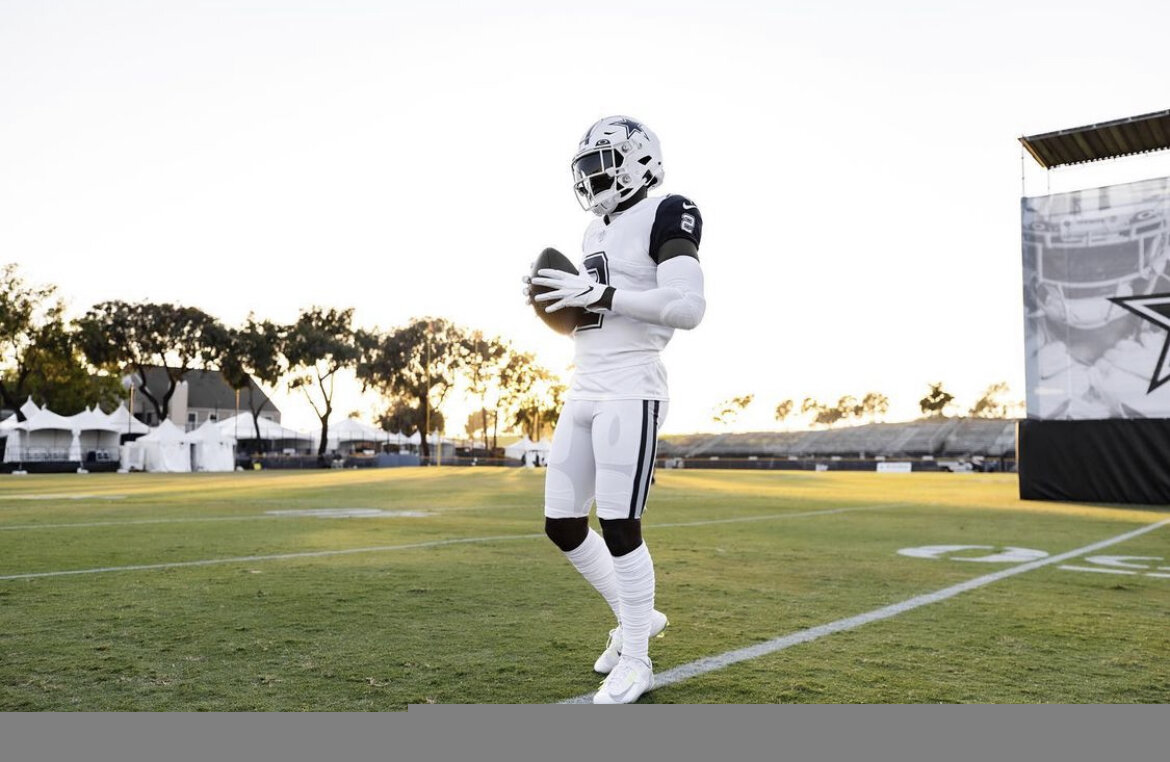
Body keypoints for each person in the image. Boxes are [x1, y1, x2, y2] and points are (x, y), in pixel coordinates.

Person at [523, 115, 706, 704]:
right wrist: (556, 301)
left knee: (621, 524)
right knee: (562, 524)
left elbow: (687, 305)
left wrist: (599, 293)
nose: (593, 178)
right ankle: (638, 616)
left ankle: (637, 657)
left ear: (636, 161)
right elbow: (593, 318)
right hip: (584, 386)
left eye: (601, 164)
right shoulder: (593, 233)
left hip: (632, 387)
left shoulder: (668, 210)